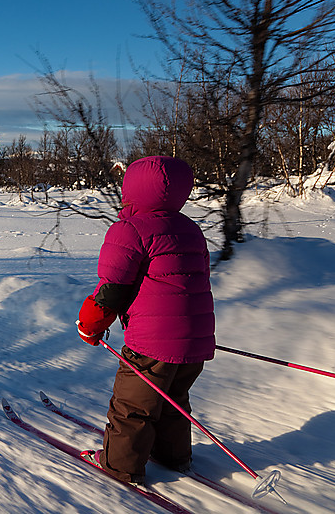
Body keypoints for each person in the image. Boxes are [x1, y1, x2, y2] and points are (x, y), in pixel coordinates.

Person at [76, 155, 215, 485]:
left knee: (133, 407)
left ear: (133, 189)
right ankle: (174, 456)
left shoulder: (129, 229)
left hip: (152, 341)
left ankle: (119, 465)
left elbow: (113, 288)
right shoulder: (190, 228)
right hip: (196, 338)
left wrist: (90, 325)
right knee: (172, 400)